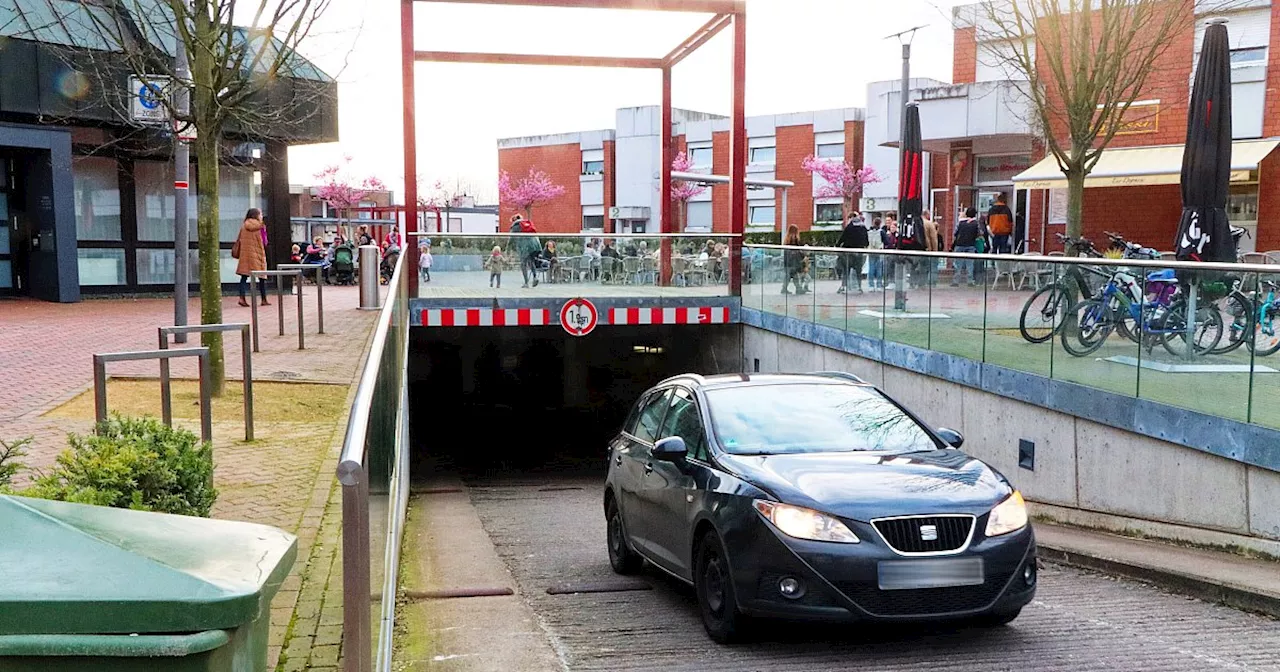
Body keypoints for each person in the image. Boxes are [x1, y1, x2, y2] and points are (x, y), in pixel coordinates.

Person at [234, 208, 268, 307]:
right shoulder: (260, 226)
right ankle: (263, 299)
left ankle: (242, 297)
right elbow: (265, 241)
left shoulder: (244, 225)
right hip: (257, 254)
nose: (261, 216)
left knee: (244, 276)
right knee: (262, 276)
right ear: (256, 215)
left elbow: (239, 239)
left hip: (246, 255)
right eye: (260, 214)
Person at [835, 210, 869, 294]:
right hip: (859, 251)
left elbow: (842, 238)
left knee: (846, 270)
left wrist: (837, 245)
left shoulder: (849, 227)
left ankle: (844, 286)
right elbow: (866, 241)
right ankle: (859, 287)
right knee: (858, 271)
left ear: (850, 218)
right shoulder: (863, 227)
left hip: (848, 252)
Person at [951, 207, 983, 287]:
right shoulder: (976, 223)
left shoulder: (960, 222)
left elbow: (955, 233)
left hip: (959, 244)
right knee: (970, 264)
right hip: (970, 245)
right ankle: (969, 281)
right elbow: (979, 233)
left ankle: (956, 281)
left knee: (958, 264)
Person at [509, 214, 541, 287]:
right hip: (535, 245)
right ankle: (535, 277)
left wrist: (507, 248)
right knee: (531, 261)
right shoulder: (527, 223)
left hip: (525, 246)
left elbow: (511, 238)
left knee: (523, 264)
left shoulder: (516, 226)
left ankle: (526, 283)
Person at [781, 225, 806, 295]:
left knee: (788, 276)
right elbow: (798, 250)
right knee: (794, 275)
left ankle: (785, 288)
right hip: (794, 261)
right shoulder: (795, 239)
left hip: (788, 261)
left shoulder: (787, 239)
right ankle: (798, 289)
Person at [867, 217, 885, 289]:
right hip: (879, 251)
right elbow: (886, 241)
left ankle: (871, 285)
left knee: (871, 268)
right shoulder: (881, 232)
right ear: (880, 223)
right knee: (879, 269)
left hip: (871, 251)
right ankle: (879, 285)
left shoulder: (869, 231)